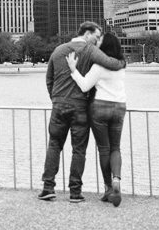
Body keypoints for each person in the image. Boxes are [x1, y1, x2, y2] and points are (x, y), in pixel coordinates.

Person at [38, 21, 125, 203]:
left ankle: (48, 188)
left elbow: (49, 80)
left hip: (59, 106)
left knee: (54, 145)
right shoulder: (90, 50)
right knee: (79, 150)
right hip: (80, 108)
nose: (97, 40)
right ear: (87, 34)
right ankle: (75, 193)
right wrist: (123, 62)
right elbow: (111, 63)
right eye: (96, 36)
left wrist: (55, 99)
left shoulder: (58, 50)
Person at [65, 32, 127, 207]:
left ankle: (108, 188)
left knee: (104, 149)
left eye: (100, 42)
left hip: (99, 108)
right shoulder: (122, 66)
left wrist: (73, 70)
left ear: (104, 47)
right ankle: (116, 178)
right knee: (116, 148)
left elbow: (85, 85)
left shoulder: (99, 66)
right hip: (120, 107)